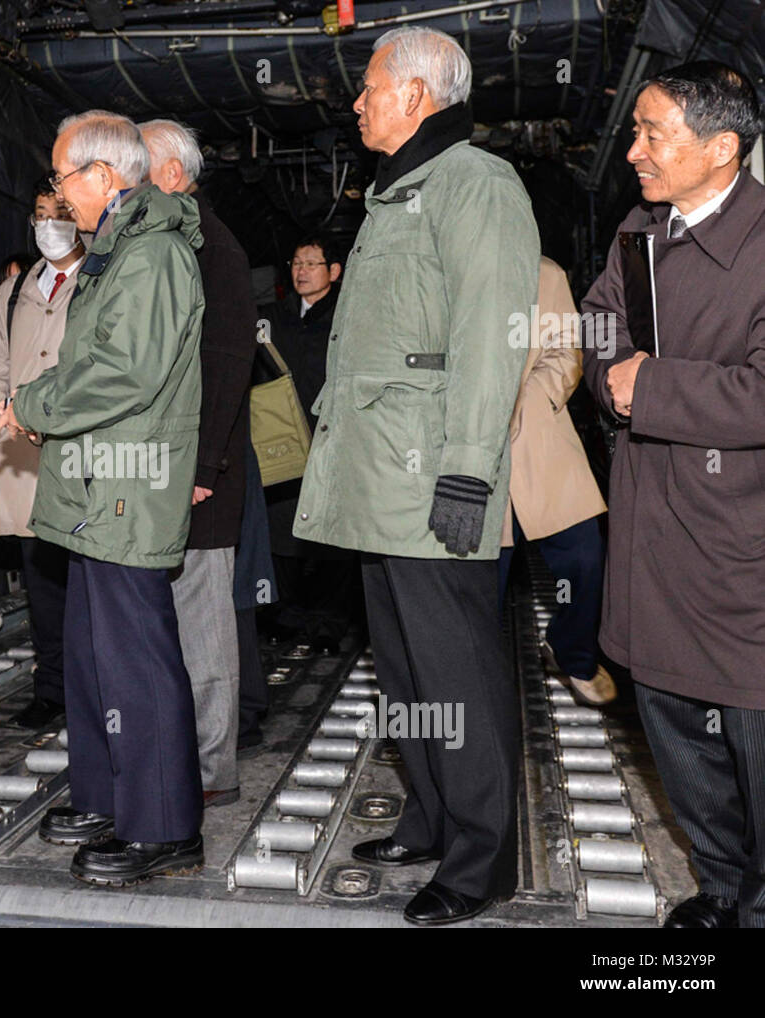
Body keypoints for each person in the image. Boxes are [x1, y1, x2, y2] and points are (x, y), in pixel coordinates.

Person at [293, 26, 538, 924]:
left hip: (432, 482)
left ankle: (479, 863)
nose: (356, 102)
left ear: (416, 95)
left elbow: (489, 340)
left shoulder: (476, 184)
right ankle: (432, 818)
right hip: (374, 486)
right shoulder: (397, 193)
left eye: (368, 87)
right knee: (402, 676)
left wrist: (470, 473)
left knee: (458, 676)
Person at [0, 110, 206, 885]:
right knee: (91, 657)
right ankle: (109, 795)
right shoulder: (116, 252)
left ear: (104, 178)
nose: (57, 195)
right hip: (94, 484)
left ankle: (165, 824)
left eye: (61, 178)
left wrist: (37, 405)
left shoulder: (151, 257)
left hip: (126, 485)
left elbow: (126, 372)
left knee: (137, 663)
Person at [581, 61, 765, 929]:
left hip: (741, 547)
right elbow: (596, 323)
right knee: (672, 723)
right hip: (651, 527)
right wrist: (609, 380)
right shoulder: (637, 232)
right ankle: (724, 886)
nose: (635, 150)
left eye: (655, 133)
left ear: (722, 147)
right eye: (638, 131)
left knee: (752, 733)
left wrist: (648, 388)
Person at [140, 118, 257, 807]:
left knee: (206, 625)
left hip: (198, 476)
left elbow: (227, 361)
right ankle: (176, 753)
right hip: (160, 471)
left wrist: (204, 468)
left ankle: (214, 770)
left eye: (139, 169)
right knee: (166, 624)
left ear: (175, 175)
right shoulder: (163, 245)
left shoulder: (214, 250)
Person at [0, 180, 85, 728]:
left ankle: (94, 689)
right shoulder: (14, 290)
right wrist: (0, 412)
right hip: (21, 451)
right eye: (40, 214)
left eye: (59, 212)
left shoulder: (100, 276)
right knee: (42, 580)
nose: (48, 223)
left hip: (80, 450)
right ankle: (53, 689)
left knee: (88, 577)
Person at [500, 257, 612, 706]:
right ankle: (472, 682)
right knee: (480, 581)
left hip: (538, 437)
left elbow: (568, 349)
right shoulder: (437, 266)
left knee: (586, 558)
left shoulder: (544, 273)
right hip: (467, 451)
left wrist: (530, 398)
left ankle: (573, 653)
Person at [259, 235, 359, 652]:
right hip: (283, 440)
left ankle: (329, 621)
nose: (301, 271)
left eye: (312, 264)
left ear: (334, 272)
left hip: (330, 440)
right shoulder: (271, 318)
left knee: (331, 535)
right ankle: (287, 615)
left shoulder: (348, 318)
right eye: (297, 263)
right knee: (281, 530)